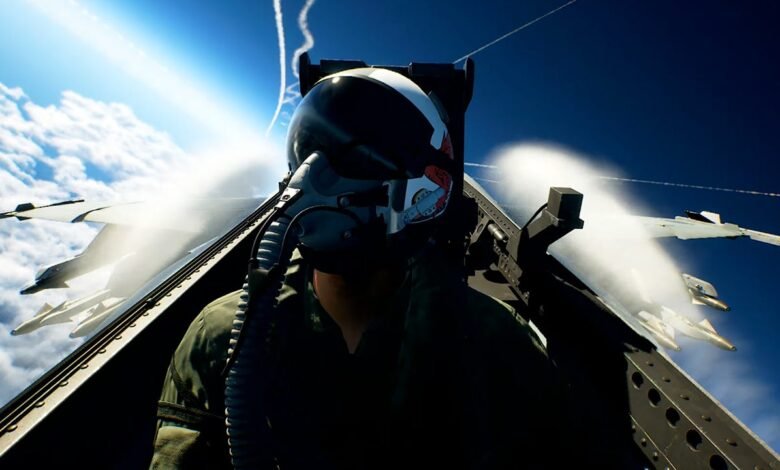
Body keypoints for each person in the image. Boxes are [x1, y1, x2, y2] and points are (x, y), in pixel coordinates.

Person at [150, 67, 565, 469]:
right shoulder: (222, 334)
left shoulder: (497, 343)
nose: (309, 176)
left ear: (422, 190)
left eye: (356, 157)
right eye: (307, 152)